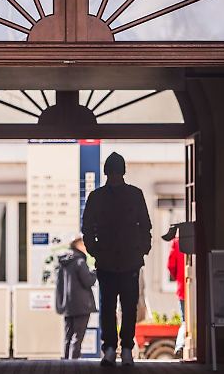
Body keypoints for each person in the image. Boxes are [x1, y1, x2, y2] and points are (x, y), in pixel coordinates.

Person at [82, 152, 152, 367]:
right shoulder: (134, 194)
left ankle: (113, 348)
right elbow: (145, 225)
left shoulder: (97, 197)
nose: (114, 176)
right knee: (125, 306)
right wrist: (142, 249)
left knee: (112, 306)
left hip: (111, 260)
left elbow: (87, 228)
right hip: (126, 259)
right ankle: (124, 349)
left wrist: (95, 251)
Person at [55, 234, 97, 360]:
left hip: (67, 305)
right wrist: (94, 272)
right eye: (83, 244)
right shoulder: (80, 262)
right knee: (77, 337)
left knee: (68, 336)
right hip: (81, 305)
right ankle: (74, 363)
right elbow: (88, 281)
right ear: (78, 245)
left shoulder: (63, 262)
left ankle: (66, 363)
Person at [163, 226, 187, 358]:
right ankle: (181, 345)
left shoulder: (176, 243)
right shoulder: (195, 242)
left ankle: (180, 345)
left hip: (182, 289)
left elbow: (170, 265)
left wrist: (178, 277)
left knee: (185, 320)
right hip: (193, 287)